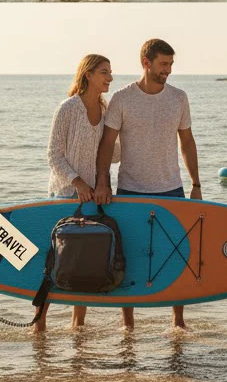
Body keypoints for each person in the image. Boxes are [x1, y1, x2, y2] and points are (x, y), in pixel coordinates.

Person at [94, 39, 201, 329]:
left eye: (171, 65)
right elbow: (107, 144)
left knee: (179, 256)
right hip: (130, 190)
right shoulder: (122, 98)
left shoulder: (178, 98)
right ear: (146, 62)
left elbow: (187, 142)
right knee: (127, 257)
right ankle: (128, 325)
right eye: (163, 64)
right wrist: (103, 182)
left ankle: (178, 322)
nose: (168, 70)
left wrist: (196, 184)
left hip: (171, 188)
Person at [37, 53, 121, 332]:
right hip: (65, 193)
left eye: (110, 72)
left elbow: (113, 154)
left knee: (84, 256)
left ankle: (78, 326)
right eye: (104, 72)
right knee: (54, 257)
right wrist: (77, 182)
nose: (110, 77)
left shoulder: (106, 109)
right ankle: (40, 323)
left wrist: (101, 181)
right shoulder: (68, 108)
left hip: (92, 196)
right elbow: (53, 155)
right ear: (88, 74)